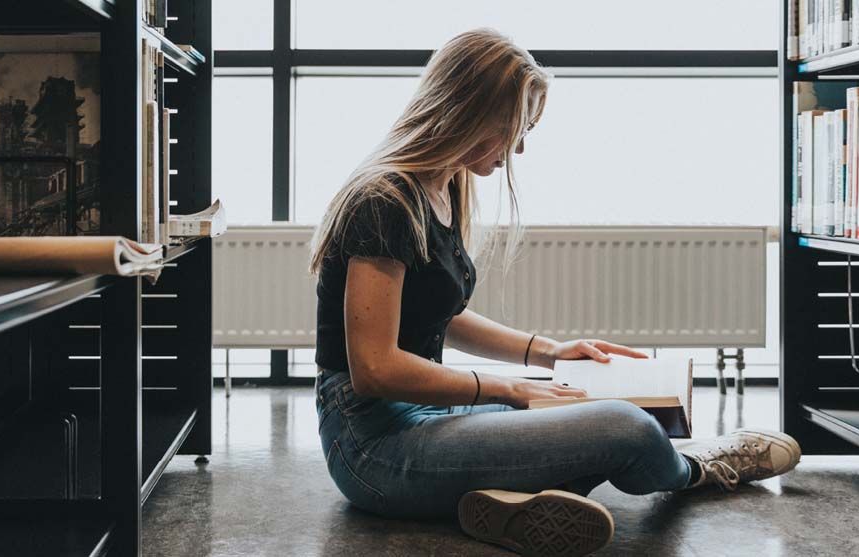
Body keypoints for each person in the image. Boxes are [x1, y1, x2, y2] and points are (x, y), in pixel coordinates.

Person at [308, 29, 801, 557]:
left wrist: (549, 353)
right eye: (513, 130)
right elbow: (375, 368)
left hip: (426, 415)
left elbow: (436, 317)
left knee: (581, 408)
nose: (519, 148)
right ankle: (698, 467)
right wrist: (509, 389)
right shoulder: (383, 200)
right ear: (467, 111)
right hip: (370, 445)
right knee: (626, 429)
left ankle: (506, 503)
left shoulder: (444, 184)